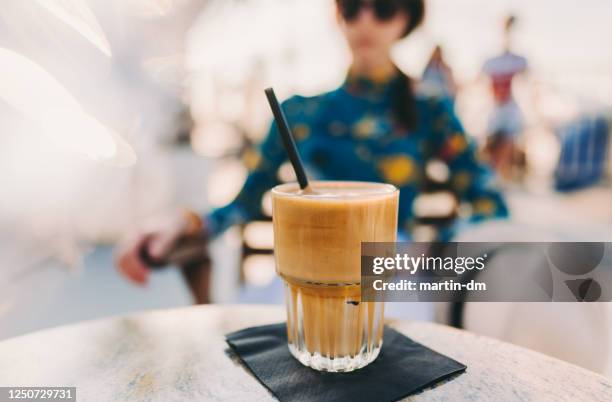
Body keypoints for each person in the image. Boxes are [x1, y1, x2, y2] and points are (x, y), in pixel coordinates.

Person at [116, 0, 508, 291]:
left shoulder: (430, 109)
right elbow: (243, 203)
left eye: (384, 8)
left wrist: (432, 258)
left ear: (405, 18)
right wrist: (182, 222)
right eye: (353, 7)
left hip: (389, 276)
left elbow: (488, 201)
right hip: (305, 271)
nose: (366, 21)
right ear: (339, 16)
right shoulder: (298, 113)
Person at [482, 15, 528, 179]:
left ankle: (502, 174)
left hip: (509, 107)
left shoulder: (517, 60)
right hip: (496, 108)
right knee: (492, 141)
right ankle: (495, 173)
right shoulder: (492, 61)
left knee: (508, 140)